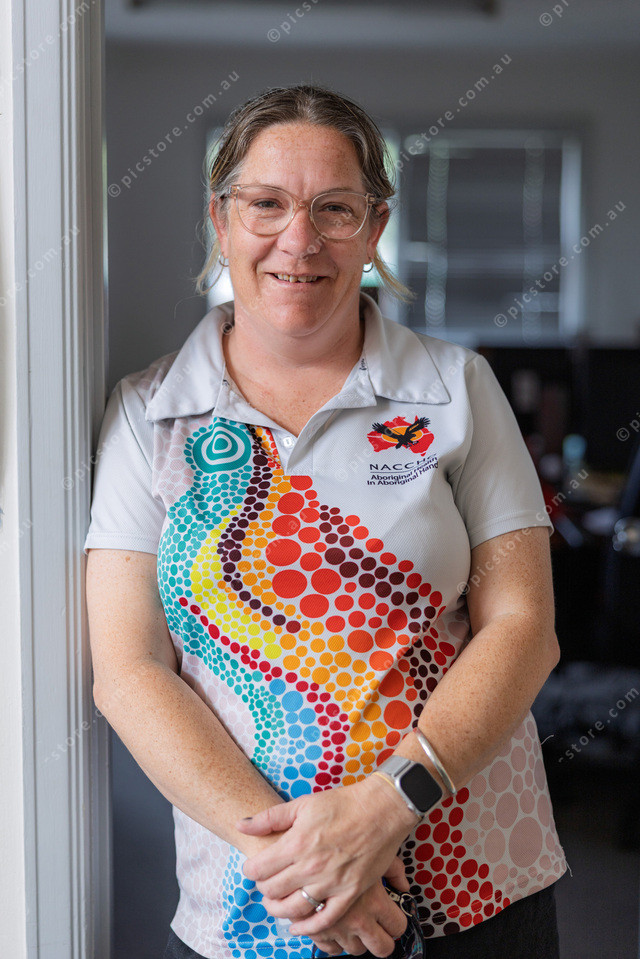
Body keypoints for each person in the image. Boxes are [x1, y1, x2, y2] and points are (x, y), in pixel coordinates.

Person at [85, 84, 566, 959]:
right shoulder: (148, 414)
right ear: (220, 218)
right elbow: (128, 669)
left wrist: (385, 806)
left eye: (335, 209)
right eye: (266, 203)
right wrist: (307, 866)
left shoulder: (456, 390)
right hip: (254, 901)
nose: (299, 240)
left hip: (475, 883)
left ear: (375, 227)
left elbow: (523, 627)